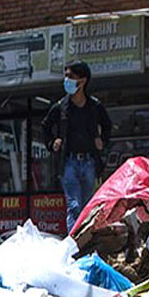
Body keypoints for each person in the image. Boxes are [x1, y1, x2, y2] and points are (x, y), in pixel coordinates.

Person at [42, 60, 112, 232]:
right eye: (65, 76)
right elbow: (45, 126)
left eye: (71, 77)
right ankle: (74, 244)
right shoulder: (61, 107)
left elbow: (108, 125)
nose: (67, 80)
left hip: (89, 162)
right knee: (73, 205)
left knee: (87, 206)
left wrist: (102, 140)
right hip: (69, 163)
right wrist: (52, 143)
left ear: (82, 81)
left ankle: (86, 242)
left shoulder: (94, 106)